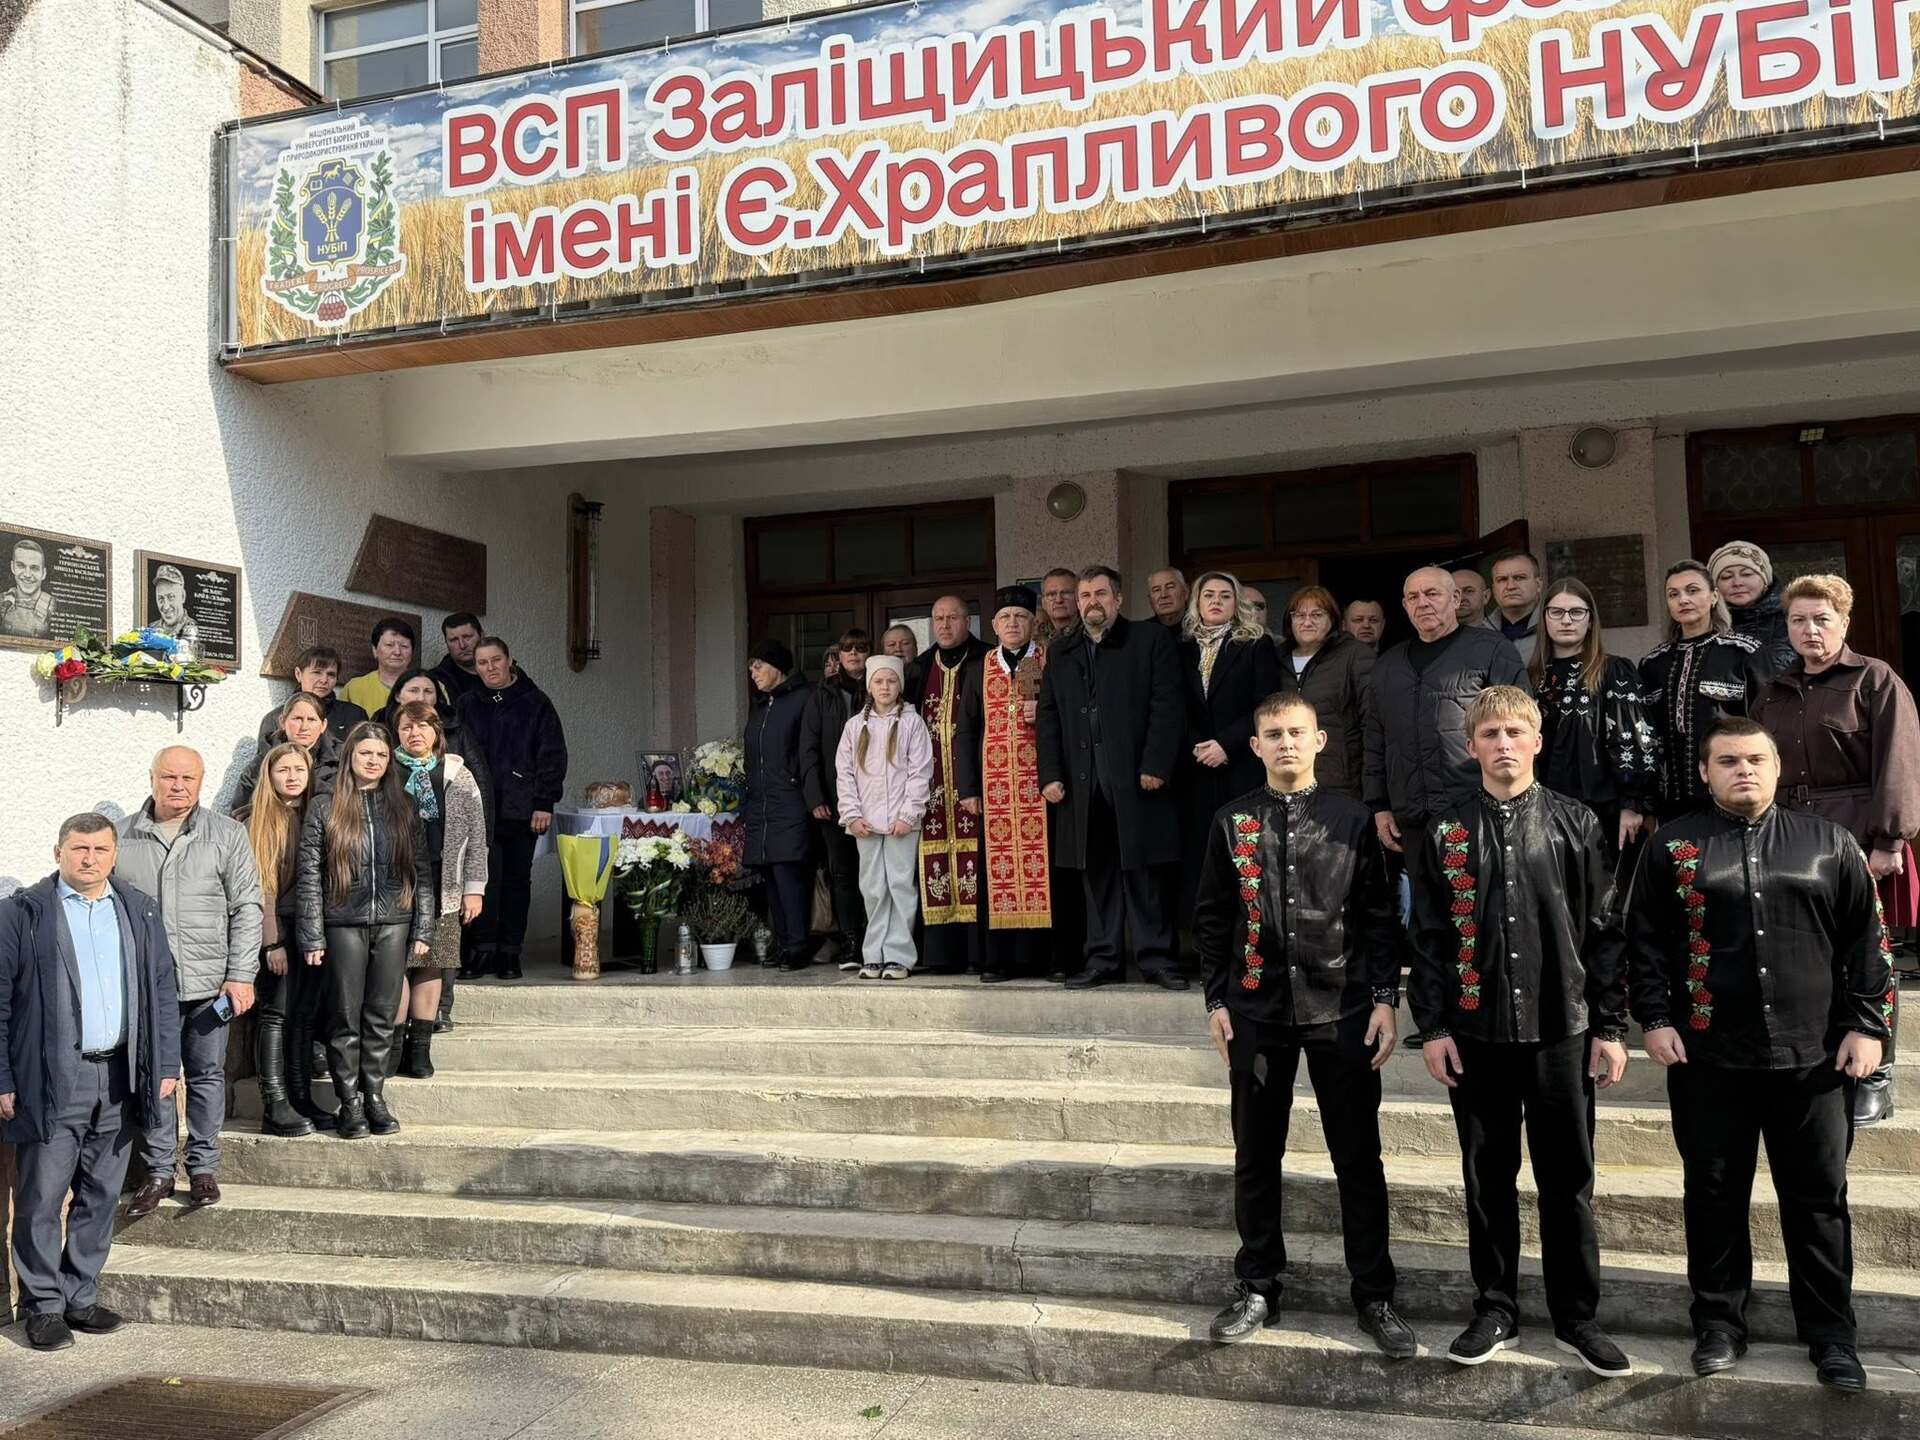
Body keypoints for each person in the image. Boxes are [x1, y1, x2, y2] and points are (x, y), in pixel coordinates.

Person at [1627, 719, 1892, 1391]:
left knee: (1819, 1199)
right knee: (1713, 1194)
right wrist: (1653, 1019)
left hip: (1814, 1058)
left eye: (1754, 759)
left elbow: (1867, 941)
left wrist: (1867, 1027)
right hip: (1709, 1057)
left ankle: (1831, 1335)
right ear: (1706, 772)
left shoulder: (1828, 844)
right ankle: (1719, 1324)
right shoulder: (1672, 846)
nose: (1742, 769)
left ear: (1776, 767)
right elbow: (1645, 940)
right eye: (1727, 761)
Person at [1409, 687, 1631, 1376]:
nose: (1503, 744)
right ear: (1471, 745)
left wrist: (1610, 1024)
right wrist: (1433, 1025)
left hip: (1563, 1027)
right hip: (1475, 1032)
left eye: (1514, 732)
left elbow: (1604, 928)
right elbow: (1428, 936)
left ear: (1536, 741)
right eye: (1490, 734)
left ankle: (1576, 1316)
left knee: (1568, 1179)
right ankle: (1496, 1307)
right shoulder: (1445, 830)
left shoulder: (1576, 822)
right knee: (1487, 1177)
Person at [1195, 694, 1415, 1359]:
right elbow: (1212, 918)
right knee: (1256, 1155)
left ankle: (1374, 1293)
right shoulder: (1231, 821)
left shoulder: (1353, 821)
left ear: (1320, 741)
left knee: (1358, 1158)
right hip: (1255, 1012)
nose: (1285, 742)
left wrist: (1385, 1000)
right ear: (1255, 745)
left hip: (1341, 1011)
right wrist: (1216, 1001)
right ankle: (1258, 1285)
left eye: (1297, 732)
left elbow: (1379, 918)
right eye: (1273, 734)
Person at [1, 815, 180, 1351]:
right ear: (58, 852)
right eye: (79, 849)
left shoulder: (138, 909)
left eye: (101, 849)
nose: (90, 859)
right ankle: (43, 1305)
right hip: (53, 1077)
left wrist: (165, 1064)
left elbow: (162, 990)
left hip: (121, 1074)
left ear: (114, 854)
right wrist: (3, 1078)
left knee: (101, 1193)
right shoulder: (23, 914)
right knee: (41, 1195)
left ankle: (80, 1295)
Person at [1753, 573, 1920, 1126]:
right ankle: (1821, 1064)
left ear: (1844, 622)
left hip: (1859, 835)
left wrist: (1889, 838)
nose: (1810, 630)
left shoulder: (1875, 679)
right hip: (1791, 837)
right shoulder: (1773, 691)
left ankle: (1876, 1076)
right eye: (1798, 620)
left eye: (1822, 619)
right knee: (1809, 955)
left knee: (1869, 957)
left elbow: (1898, 762)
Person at [116, 746, 262, 1218]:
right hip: (147, 988)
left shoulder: (227, 834)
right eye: (169, 777)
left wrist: (240, 974)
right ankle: (159, 1171)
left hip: (209, 985)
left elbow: (247, 907)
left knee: (206, 1076)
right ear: (152, 778)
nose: (178, 786)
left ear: (201, 782)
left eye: (188, 778)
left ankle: (202, 1168)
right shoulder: (122, 836)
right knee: (156, 1080)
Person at [1037, 566, 1186, 990]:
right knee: (1097, 876)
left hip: (1136, 780)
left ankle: (1158, 961)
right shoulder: (1062, 652)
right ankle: (1102, 960)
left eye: (1100, 594)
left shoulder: (1149, 640)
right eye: (1085, 595)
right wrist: (1051, 774)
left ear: (1118, 599)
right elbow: (1048, 717)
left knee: (1144, 873)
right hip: (1084, 784)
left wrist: (1156, 764)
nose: (1092, 602)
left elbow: (1167, 705)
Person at [297, 722, 434, 1140]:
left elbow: (421, 872)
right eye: (365, 753)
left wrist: (423, 927)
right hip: (343, 923)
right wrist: (312, 934)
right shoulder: (324, 807)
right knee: (344, 1015)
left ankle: (374, 1095)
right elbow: (309, 874)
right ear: (351, 757)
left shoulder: (404, 806)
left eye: (381, 755)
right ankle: (349, 1102)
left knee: (381, 1014)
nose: (373, 761)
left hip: (394, 921)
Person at [1364, 567, 1529, 883]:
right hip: (1412, 818)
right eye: (1413, 597)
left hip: (1478, 810)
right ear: (1405, 606)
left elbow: (1519, 724)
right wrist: (1379, 806)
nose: (1422, 603)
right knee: (1426, 909)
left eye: (1432, 594)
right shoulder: (1387, 665)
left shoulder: (1492, 649)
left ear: (1455, 599)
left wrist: (1514, 797)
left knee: (1480, 905)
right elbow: (1375, 740)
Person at [237, 743, 333, 1137]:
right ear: (269, 776)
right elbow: (261, 887)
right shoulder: (257, 820)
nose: (292, 777)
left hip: (311, 929)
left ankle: (300, 1095)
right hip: (277, 929)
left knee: (305, 1013)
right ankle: (274, 1102)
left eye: (299, 769)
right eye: (283, 770)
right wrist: (271, 942)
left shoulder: (317, 813)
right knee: (275, 1013)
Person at [388, 702, 488, 1078]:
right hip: (398, 885)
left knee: (432, 963)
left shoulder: (457, 774)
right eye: (406, 727)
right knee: (396, 963)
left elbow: (477, 834)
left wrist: (474, 888)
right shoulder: (387, 769)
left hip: (445, 883)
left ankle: (420, 1048)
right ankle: (394, 1047)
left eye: (422, 727)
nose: (415, 733)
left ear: (436, 732)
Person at [458, 637, 567, 981]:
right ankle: (483, 950)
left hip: (522, 809)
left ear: (509, 661)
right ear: (475, 668)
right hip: (478, 810)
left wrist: (544, 803)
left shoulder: (535, 702)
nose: (490, 667)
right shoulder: (467, 703)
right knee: (482, 882)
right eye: (482, 662)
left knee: (516, 881)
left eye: (496, 660)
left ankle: (509, 952)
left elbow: (551, 754)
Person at [1177, 573, 1282, 924]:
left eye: (1225, 595)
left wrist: (1226, 744)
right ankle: (1207, 938)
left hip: (1241, 765)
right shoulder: (1182, 647)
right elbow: (1173, 705)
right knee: (1201, 857)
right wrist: (1197, 744)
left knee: (1244, 852)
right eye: (1208, 595)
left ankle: (1249, 936)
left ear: (1237, 603)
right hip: (1196, 768)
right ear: (1197, 601)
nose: (1216, 601)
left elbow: (1265, 704)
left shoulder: (1255, 644)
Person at [1528, 579, 1657, 862]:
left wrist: (1632, 804)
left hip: (1603, 809)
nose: (1566, 620)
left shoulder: (1613, 670)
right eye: (1556, 612)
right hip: (1543, 808)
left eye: (1576, 612)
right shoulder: (1532, 676)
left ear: (1590, 620)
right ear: (1544, 618)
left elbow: (1634, 739)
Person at [1638, 560, 1772, 820]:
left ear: (1713, 596)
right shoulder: (1653, 663)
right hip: (1671, 803)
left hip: (1732, 796)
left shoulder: (1745, 652)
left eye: (1693, 590)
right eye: (1673, 594)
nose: (1683, 599)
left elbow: (1769, 724)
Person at [835, 654, 934, 979]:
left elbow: (921, 772)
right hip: (866, 823)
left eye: (891, 681)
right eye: (878, 681)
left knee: (900, 886)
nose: (885, 687)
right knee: (873, 888)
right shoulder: (854, 727)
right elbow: (845, 775)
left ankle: (899, 956)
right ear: (869, 686)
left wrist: (908, 814)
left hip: (901, 824)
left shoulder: (912, 723)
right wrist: (851, 815)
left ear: (900, 685)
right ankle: (873, 954)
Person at [975, 586, 1057, 981]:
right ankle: (1001, 960)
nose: (1012, 623)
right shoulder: (980, 666)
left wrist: (1043, 711)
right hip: (994, 789)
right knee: (998, 872)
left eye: (1020, 617)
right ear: (994, 625)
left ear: (1034, 622)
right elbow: (966, 728)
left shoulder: (1049, 660)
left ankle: (1049, 959)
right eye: (1005, 617)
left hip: (1040, 787)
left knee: (1048, 872)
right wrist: (970, 788)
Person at [906, 596, 990, 975]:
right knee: (934, 863)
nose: (944, 625)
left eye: (952, 617)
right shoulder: (921, 667)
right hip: (932, 788)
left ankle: (977, 953)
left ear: (967, 621)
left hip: (974, 784)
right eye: (938, 618)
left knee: (976, 864)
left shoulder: (986, 658)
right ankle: (940, 955)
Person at [743, 639, 817, 971]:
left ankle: (798, 945)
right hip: (762, 804)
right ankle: (783, 942)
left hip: (790, 801)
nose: (753, 673)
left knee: (790, 875)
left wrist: (807, 793)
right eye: (750, 667)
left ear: (777, 667)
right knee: (771, 875)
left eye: (758, 666)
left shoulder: (804, 698)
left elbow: (808, 752)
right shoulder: (762, 705)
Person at [801, 629, 872, 971]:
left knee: (876, 874)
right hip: (834, 799)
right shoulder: (823, 694)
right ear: (839, 656)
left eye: (860, 648)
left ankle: (876, 941)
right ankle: (851, 943)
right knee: (843, 873)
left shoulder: (880, 685)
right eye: (847, 649)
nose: (854, 654)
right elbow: (808, 748)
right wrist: (815, 796)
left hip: (876, 799)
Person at [1274, 584, 1373, 801]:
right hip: (1285, 779)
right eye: (1299, 615)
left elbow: (1372, 723)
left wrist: (1373, 786)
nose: (1307, 622)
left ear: (1333, 619)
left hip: (1341, 782)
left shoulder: (1355, 655)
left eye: (1317, 615)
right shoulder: (1274, 659)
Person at [232, 692, 342, 814]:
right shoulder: (262, 761)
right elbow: (241, 813)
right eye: (297, 719)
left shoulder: (340, 759)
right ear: (282, 721)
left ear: (323, 725)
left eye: (311, 720)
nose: (304, 727)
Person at [252, 645, 366, 750]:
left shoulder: (354, 715)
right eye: (317, 672)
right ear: (298, 674)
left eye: (331, 674)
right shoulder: (274, 718)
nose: (324, 680)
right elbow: (265, 761)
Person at [1709, 541, 1795, 673]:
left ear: (1765, 580)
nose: (1737, 583)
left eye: (1747, 574)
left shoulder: (1792, 617)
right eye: (1726, 577)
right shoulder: (1706, 624)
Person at [338, 616, 417, 716]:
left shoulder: (427, 687)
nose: (397, 652)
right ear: (375, 650)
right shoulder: (355, 688)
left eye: (404, 646)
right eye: (389, 645)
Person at [1487, 549, 1543, 663]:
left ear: (1538, 585)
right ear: (1494, 589)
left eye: (1519, 578)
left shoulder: (1558, 626)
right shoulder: (1480, 631)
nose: (1510, 586)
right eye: (1502, 579)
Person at [428, 611, 487, 707]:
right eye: (454, 640)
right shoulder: (436, 681)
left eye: (467, 637)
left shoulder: (505, 670)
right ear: (446, 643)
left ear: (482, 635)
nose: (462, 645)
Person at [1, 537, 53, 638]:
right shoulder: (2, 602)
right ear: (12, 567)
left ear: (44, 573)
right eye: (21, 566)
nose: (27, 574)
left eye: (34, 568)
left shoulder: (53, 606)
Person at [150, 564, 199, 657]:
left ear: (183, 596)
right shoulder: (151, 629)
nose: (166, 606)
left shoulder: (194, 628)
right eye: (160, 599)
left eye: (171, 597)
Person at [1036, 568, 1082, 651]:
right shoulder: (1035, 642)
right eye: (1051, 594)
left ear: (1078, 598)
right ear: (1043, 602)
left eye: (1066, 593)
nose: (1058, 600)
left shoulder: (1092, 637)